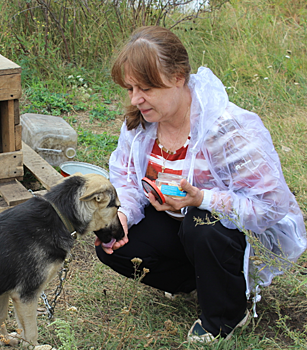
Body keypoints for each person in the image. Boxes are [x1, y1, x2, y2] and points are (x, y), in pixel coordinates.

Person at [95, 26, 307, 343]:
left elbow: (269, 207)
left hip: (233, 233)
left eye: (147, 88)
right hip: (178, 225)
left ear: (179, 77)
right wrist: (122, 215)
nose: (136, 99)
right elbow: (125, 176)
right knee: (114, 247)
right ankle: (199, 282)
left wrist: (202, 198)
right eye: (130, 88)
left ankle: (226, 316)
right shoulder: (141, 123)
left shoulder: (228, 129)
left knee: (202, 223)